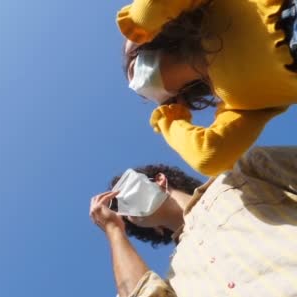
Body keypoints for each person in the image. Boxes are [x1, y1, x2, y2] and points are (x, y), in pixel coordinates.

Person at [89, 146, 297, 297]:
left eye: (123, 194)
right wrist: (114, 229)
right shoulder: (178, 276)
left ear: (160, 180)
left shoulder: (241, 178)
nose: (124, 211)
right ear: (155, 229)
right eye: (122, 213)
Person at [117, 0, 297, 176]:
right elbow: (209, 157)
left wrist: (134, 26)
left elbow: (148, 10)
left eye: (135, 69)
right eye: (142, 91)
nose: (139, 84)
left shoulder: (210, 7)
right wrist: (169, 119)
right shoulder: (234, 104)